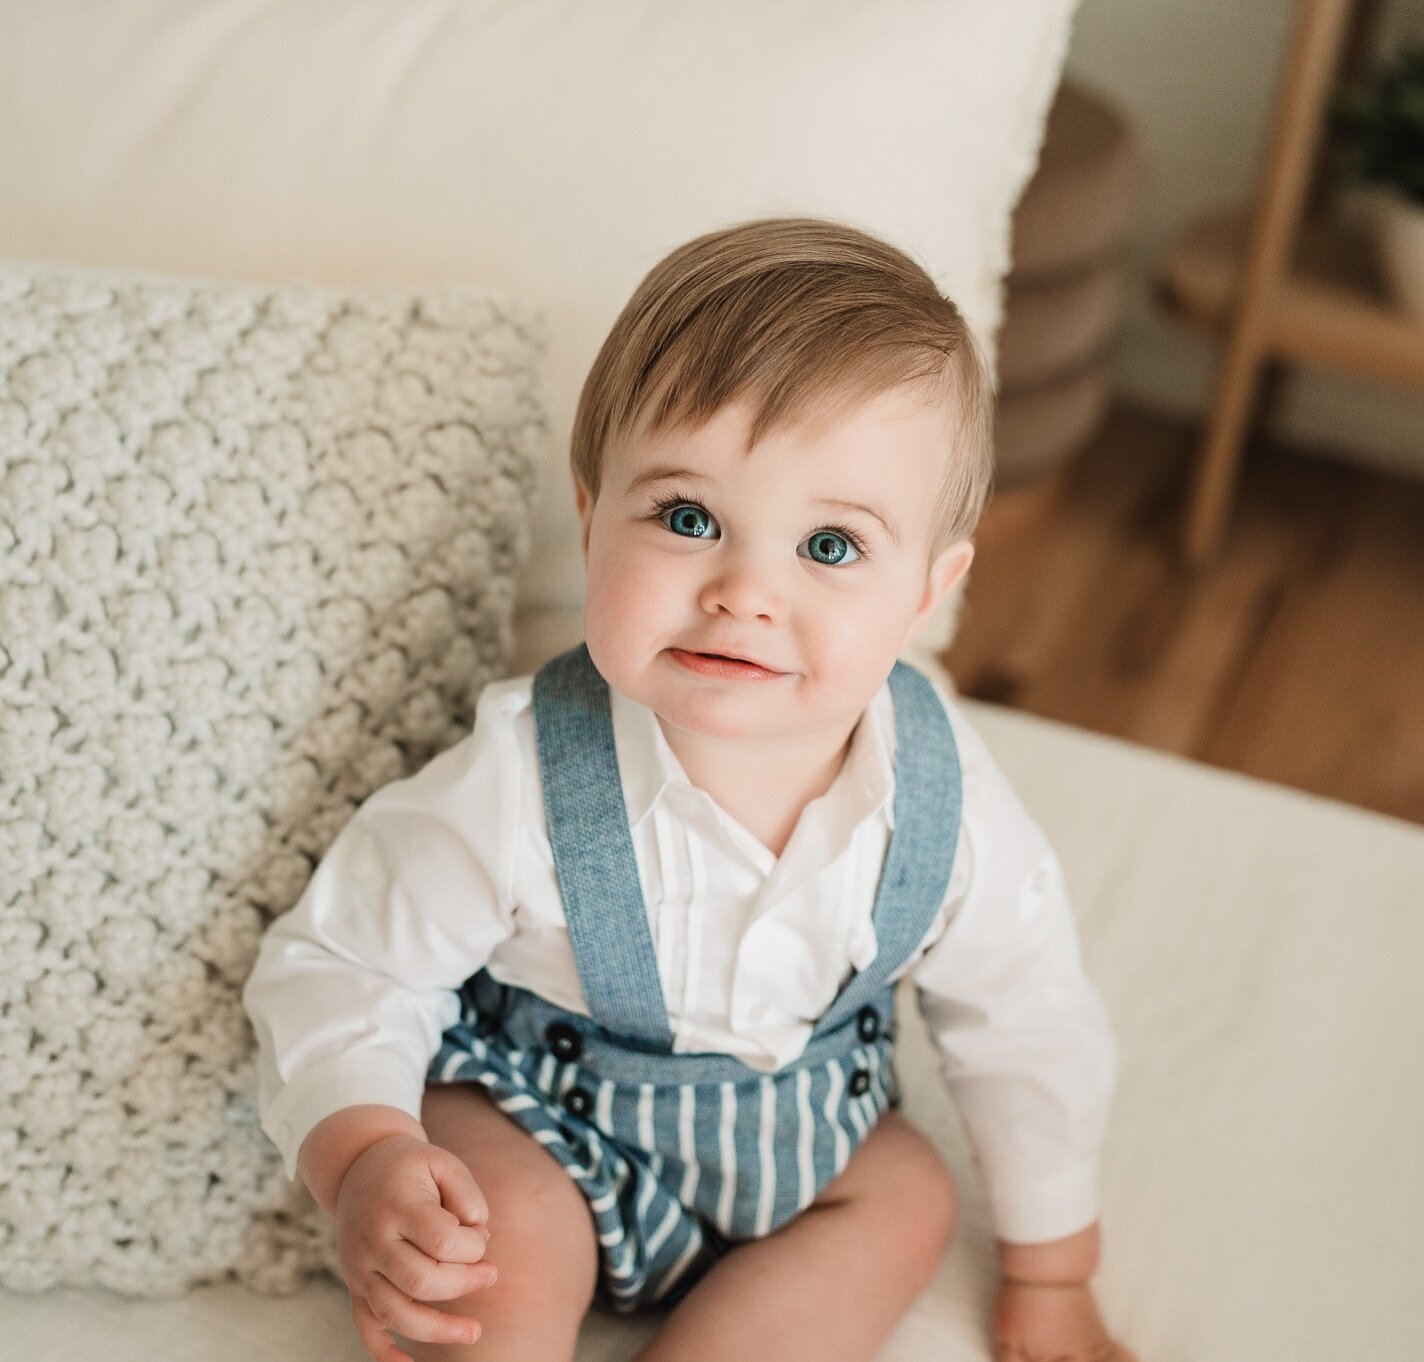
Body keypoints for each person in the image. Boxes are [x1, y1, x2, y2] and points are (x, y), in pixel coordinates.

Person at [242, 216, 1134, 1362]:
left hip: (806, 1149)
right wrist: (362, 1154)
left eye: (827, 547)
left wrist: (1053, 1270)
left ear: (926, 588)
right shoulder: (521, 774)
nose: (743, 591)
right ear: (589, 514)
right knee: (482, 1226)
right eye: (685, 518)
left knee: (907, 1199)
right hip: (544, 1122)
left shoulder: (943, 797)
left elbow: (1027, 1019)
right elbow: (347, 959)